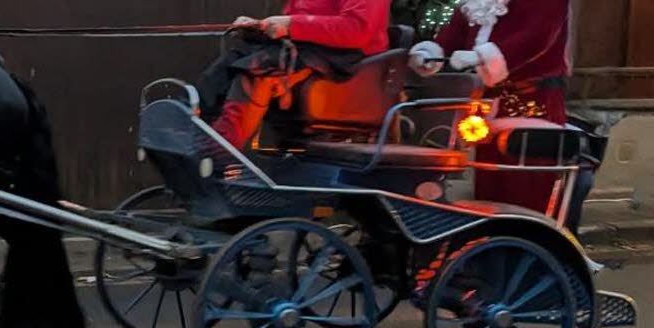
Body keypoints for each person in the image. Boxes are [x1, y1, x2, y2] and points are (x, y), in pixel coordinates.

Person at [409, 0, 573, 215]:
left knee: (526, 187)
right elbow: (454, 33)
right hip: (487, 106)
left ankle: (525, 240)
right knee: (489, 185)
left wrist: (482, 56)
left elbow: (536, 38)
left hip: (533, 104)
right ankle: (492, 241)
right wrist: (431, 52)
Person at [209, 0, 393, 150]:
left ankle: (216, 153)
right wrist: (262, 27)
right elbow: (297, 21)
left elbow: (356, 29)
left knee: (260, 70)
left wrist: (290, 24)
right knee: (229, 64)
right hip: (310, 52)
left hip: (346, 65)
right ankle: (191, 130)